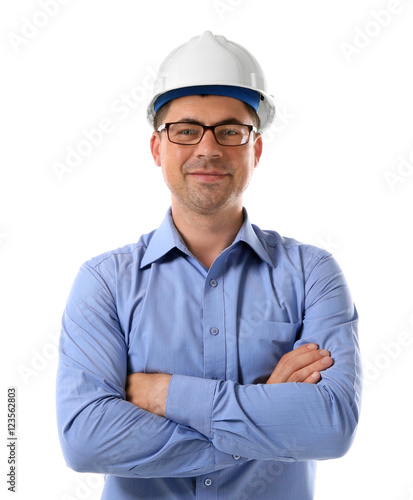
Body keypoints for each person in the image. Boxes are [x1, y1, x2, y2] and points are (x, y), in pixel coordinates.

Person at [56, 31, 362, 499]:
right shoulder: (104, 283)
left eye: (230, 130)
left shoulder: (312, 274)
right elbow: (85, 440)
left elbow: (330, 428)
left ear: (254, 149)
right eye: (185, 130)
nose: (208, 148)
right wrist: (268, 418)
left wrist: (166, 395)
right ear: (158, 149)